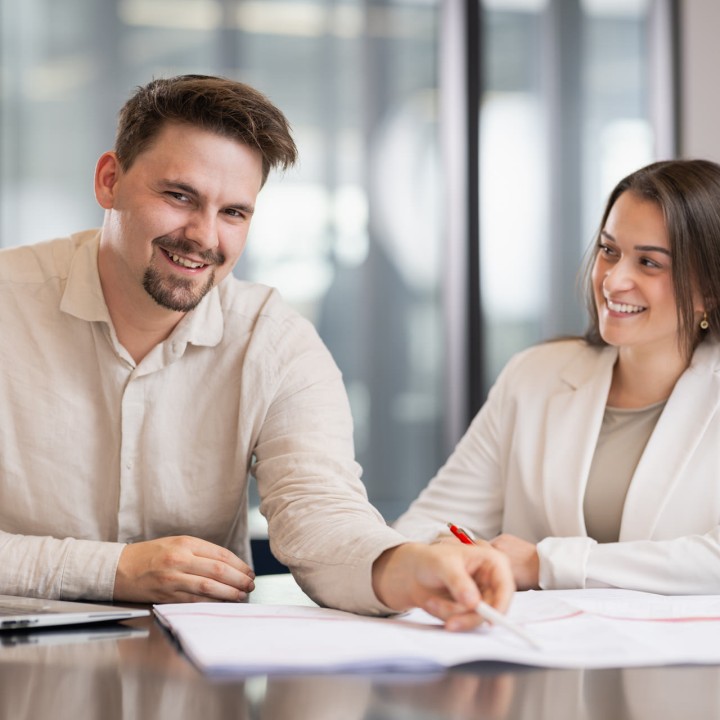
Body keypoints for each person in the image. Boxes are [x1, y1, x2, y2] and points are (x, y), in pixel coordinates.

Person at [0, 74, 513, 630]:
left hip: (194, 681)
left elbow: (320, 516)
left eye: (233, 213)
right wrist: (113, 570)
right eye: (179, 196)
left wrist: (407, 565)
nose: (203, 236)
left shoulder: (274, 340)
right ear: (109, 181)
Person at [394, 158, 720, 595]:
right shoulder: (535, 377)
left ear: (710, 290)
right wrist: (447, 553)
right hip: (538, 655)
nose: (614, 279)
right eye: (609, 251)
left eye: (649, 263)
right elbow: (426, 523)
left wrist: (543, 564)